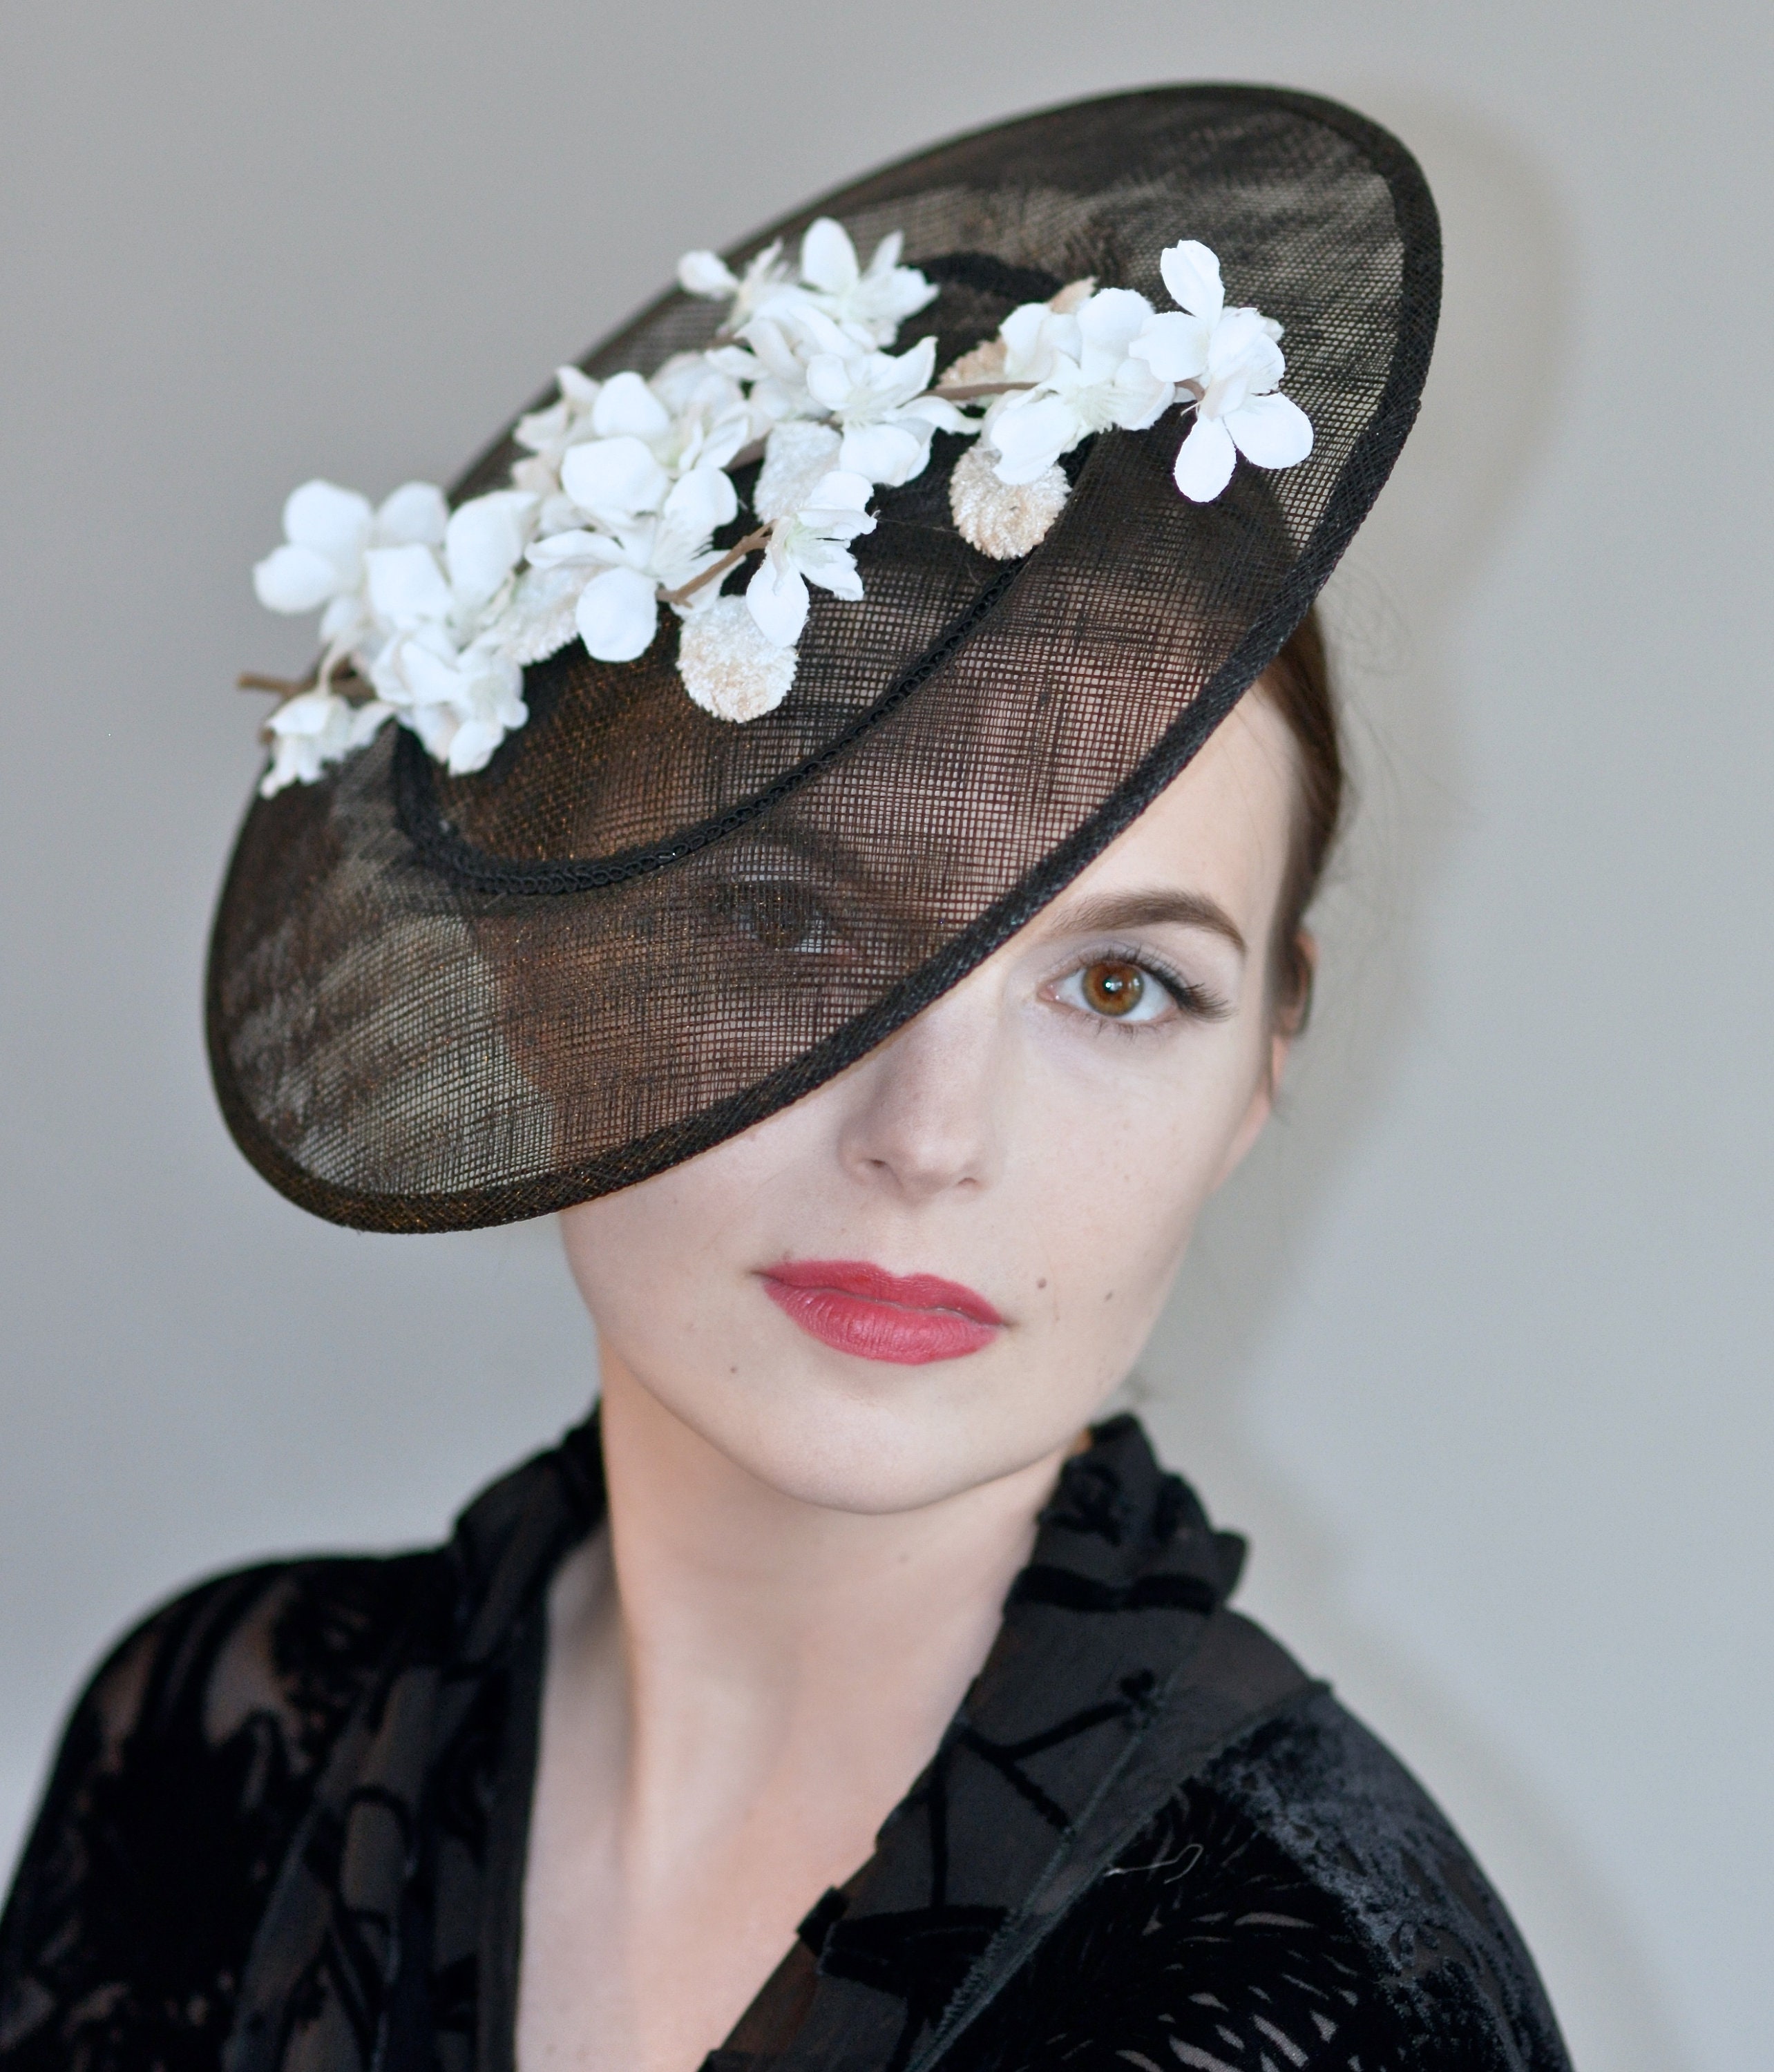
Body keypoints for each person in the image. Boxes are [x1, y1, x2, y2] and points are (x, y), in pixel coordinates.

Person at [0, 85, 1571, 2072]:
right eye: (789, 932)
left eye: (1116, 983)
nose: (932, 1140)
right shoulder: (215, 1746)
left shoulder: (1323, 1984)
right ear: (539, 971)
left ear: (1270, 1058)